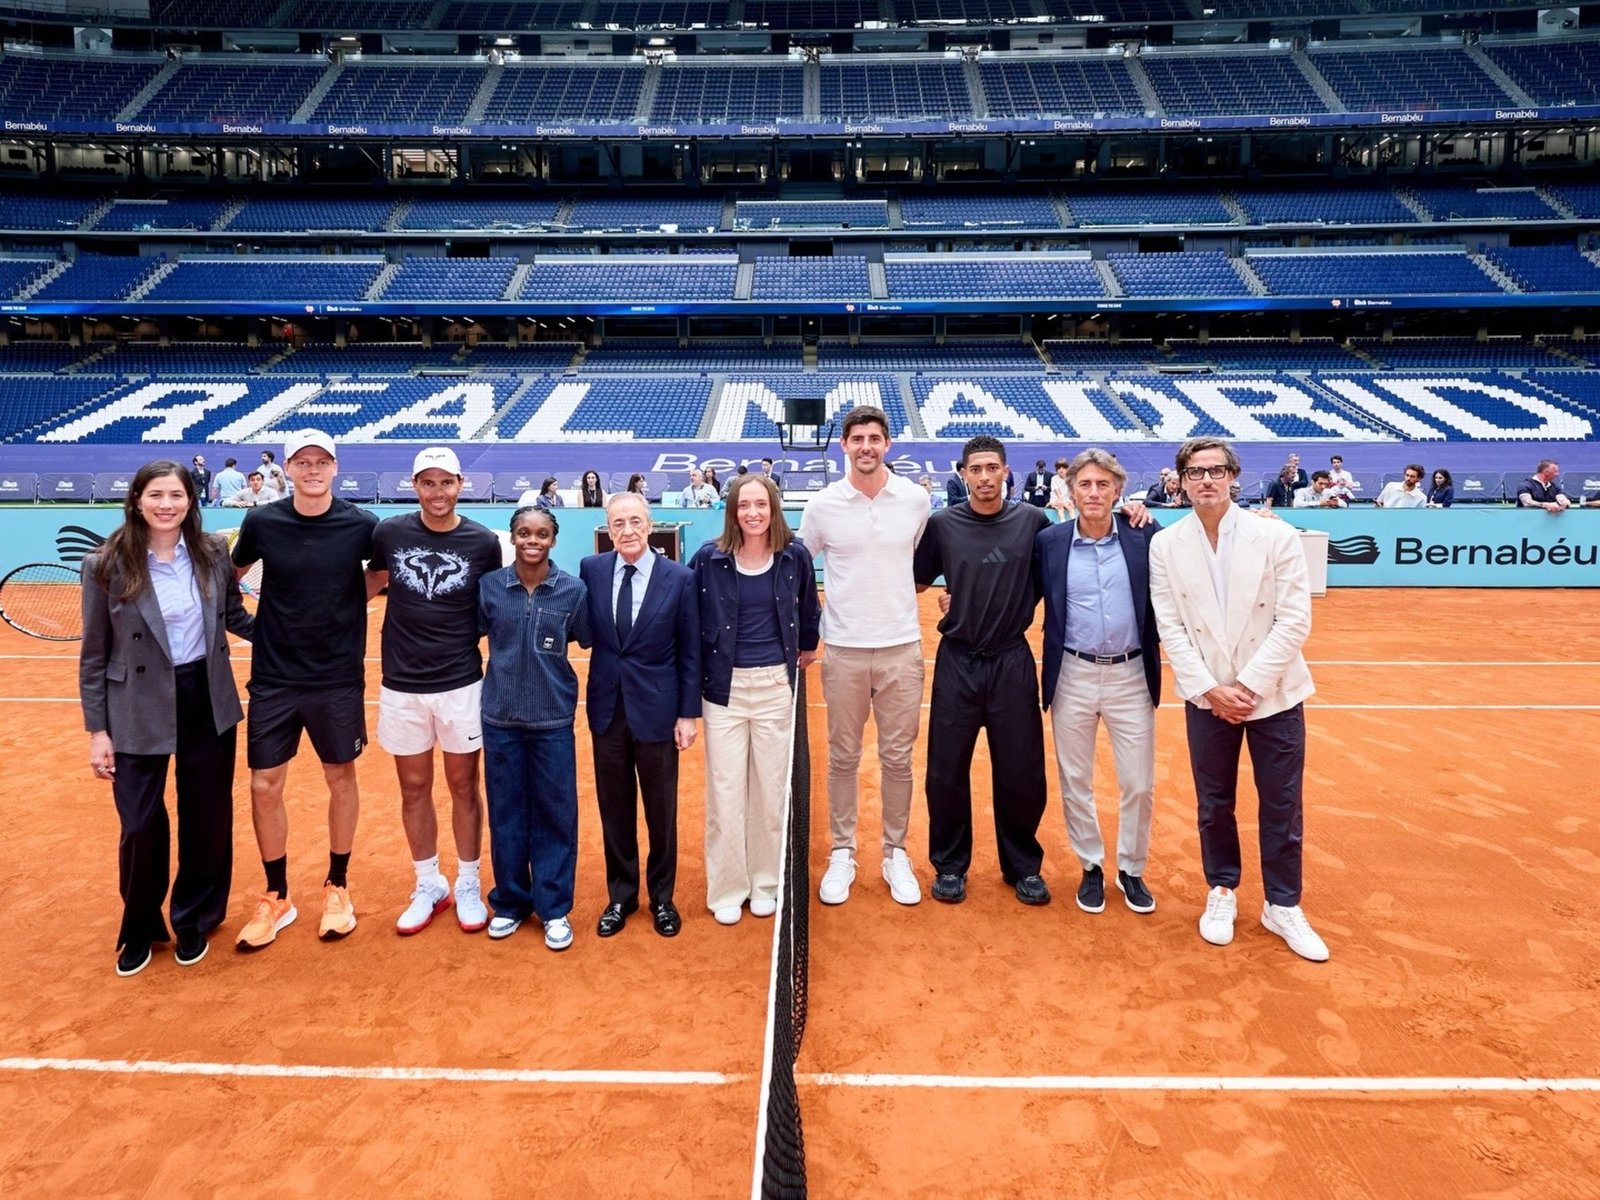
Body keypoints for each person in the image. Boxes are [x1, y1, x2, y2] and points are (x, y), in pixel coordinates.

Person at [1149, 436, 1328, 962]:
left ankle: (1282, 903)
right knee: (1214, 803)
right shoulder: (1166, 545)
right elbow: (1171, 625)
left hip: (1273, 697)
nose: (1207, 479)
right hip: (1206, 699)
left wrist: (1247, 687)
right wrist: (1209, 689)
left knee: (1281, 802)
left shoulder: (1277, 537)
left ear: (1234, 477)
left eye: (1217, 470)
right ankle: (1221, 889)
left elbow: (1295, 619)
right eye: (1196, 472)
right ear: (1180, 481)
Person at [80, 461, 254, 976]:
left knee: (206, 816)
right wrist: (97, 731)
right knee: (139, 824)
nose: (166, 504)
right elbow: (93, 655)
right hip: (135, 702)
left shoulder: (211, 553)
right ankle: (140, 924)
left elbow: (234, 616)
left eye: (176, 495)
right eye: (155, 495)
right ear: (137, 500)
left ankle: (195, 916)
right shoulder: (105, 565)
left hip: (204, 693)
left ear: (190, 501)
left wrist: (292, 636)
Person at [230, 430, 379, 951]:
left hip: (337, 675)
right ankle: (277, 896)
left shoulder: (362, 524)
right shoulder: (262, 521)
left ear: (335, 467)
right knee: (263, 785)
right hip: (274, 677)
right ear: (287, 468)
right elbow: (232, 573)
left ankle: (338, 887)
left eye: (322, 461)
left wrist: (344, 604)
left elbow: (380, 571)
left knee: (341, 776)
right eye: (303, 461)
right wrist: (248, 624)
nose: (313, 469)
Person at [366, 447, 504, 936]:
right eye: (428, 483)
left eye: (446, 482)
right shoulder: (389, 532)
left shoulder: (483, 541)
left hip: (461, 682)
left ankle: (468, 879)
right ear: (415, 485)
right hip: (401, 684)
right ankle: (429, 882)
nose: (438, 492)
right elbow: (370, 583)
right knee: (414, 787)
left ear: (461, 484)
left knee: (465, 786)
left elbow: (494, 605)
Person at [799, 404, 931, 907]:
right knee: (843, 757)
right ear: (844, 446)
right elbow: (797, 567)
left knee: (897, 758)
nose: (867, 447)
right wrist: (807, 635)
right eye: (858, 439)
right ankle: (842, 851)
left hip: (902, 648)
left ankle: (895, 853)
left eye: (875, 438)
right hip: (844, 652)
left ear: (888, 444)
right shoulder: (823, 505)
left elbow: (920, 562)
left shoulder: (916, 500)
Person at [913, 435, 1051, 905]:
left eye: (994, 468)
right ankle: (950, 866)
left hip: (1012, 660)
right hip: (958, 659)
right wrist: (947, 599)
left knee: (1021, 770)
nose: (986, 477)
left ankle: (1023, 868)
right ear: (964, 474)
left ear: (1006, 472)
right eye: (977, 469)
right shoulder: (943, 524)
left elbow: (1058, 571)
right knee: (946, 770)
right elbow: (916, 580)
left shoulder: (1033, 521)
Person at [1035, 449, 1162, 918]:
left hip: (1131, 674)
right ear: (1072, 491)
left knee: (1138, 782)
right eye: (1085, 485)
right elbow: (1016, 591)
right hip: (1072, 673)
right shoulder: (1049, 541)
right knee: (1075, 779)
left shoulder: (1144, 534)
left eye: (1102, 485)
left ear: (1118, 491)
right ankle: (1091, 865)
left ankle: (1130, 868)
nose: (1093, 493)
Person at [688, 474, 820, 925]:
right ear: (732, 511)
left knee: (771, 791)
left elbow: (807, 612)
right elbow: (689, 617)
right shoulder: (709, 558)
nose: (753, 513)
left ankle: (767, 882)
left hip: (775, 687)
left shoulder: (794, 555)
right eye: (744, 505)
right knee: (725, 792)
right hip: (722, 689)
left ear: (774, 508)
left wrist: (807, 647)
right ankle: (727, 886)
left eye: (761, 504)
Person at [580, 493, 702, 938]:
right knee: (614, 808)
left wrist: (688, 714)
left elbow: (690, 653)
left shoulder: (680, 578)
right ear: (607, 529)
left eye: (635, 521)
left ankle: (663, 897)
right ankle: (622, 895)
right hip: (607, 710)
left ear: (650, 525)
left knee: (661, 810)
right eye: (618, 524)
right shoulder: (591, 571)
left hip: (658, 709)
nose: (627, 530)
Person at [478, 507, 592, 951]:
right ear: (512, 537)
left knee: (555, 814)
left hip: (553, 721)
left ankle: (554, 907)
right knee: (506, 813)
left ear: (553, 540)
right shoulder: (489, 588)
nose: (532, 540)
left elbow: (586, 638)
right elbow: (474, 636)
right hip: (500, 718)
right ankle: (509, 902)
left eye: (541, 534)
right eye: (524, 532)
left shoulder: (573, 591)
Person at [1048, 457, 1077, 522]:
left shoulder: (1070, 479)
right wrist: (1061, 501)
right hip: (1056, 499)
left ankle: (1074, 522)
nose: (1061, 470)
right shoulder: (1054, 479)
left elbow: (1071, 491)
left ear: (1067, 469)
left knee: (1070, 507)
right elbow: (1057, 492)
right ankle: (1062, 522)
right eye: (1059, 468)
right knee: (1060, 505)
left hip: (1066, 500)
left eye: (1063, 468)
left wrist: (1071, 501)